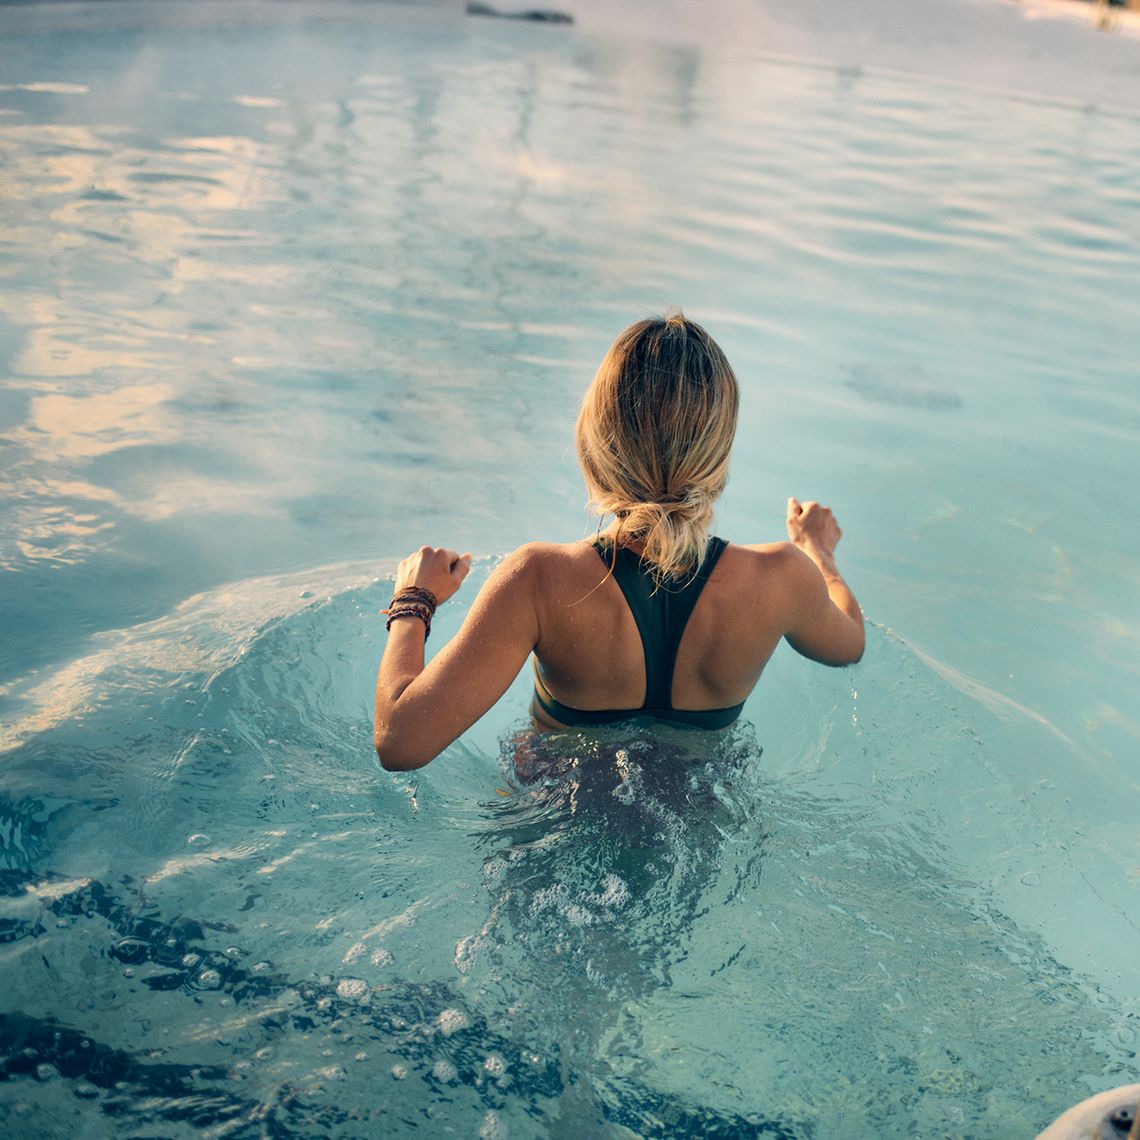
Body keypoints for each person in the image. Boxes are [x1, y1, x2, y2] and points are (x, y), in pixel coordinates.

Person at [374, 313, 864, 772]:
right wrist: (818, 554)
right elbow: (850, 645)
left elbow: (399, 742)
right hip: (699, 825)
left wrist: (413, 601)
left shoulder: (538, 580)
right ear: (718, 450)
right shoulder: (782, 578)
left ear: (596, 439)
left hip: (548, 819)